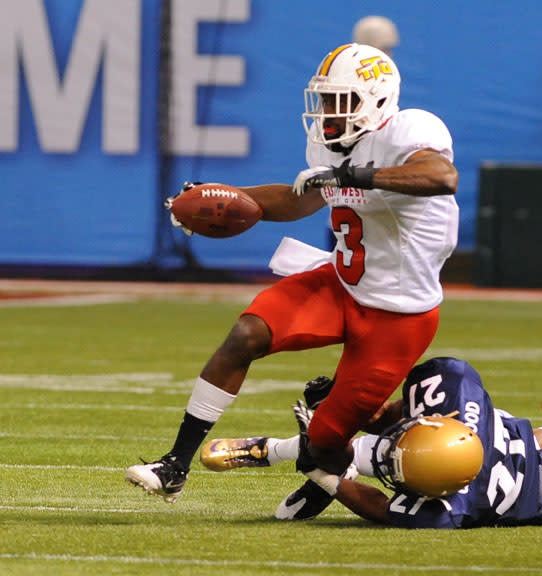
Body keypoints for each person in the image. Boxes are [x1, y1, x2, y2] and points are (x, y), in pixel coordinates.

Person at [125, 43, 459, 503]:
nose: (329, 113)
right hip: (341, 284)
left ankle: (338, 459)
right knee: (245, 335)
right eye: (325, 101)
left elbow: (441, 176)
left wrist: (353, 176)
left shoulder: (409, 129)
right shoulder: (326, 141)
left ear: (379, 100)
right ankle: (174, 465)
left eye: (342, 101)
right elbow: (300, 199)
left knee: (325, 446)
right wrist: (225, 196)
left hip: (398, 316)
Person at [200, 357, 542, 528]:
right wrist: (357, 410)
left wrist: (326, 475)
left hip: (521, 496)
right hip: (476, 437)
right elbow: (395, 416)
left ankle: (278, 450)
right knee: (524, 445)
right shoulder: (454, 387)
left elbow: (380, 508)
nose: (388, 453)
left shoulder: (451, 511)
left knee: (528, 450)